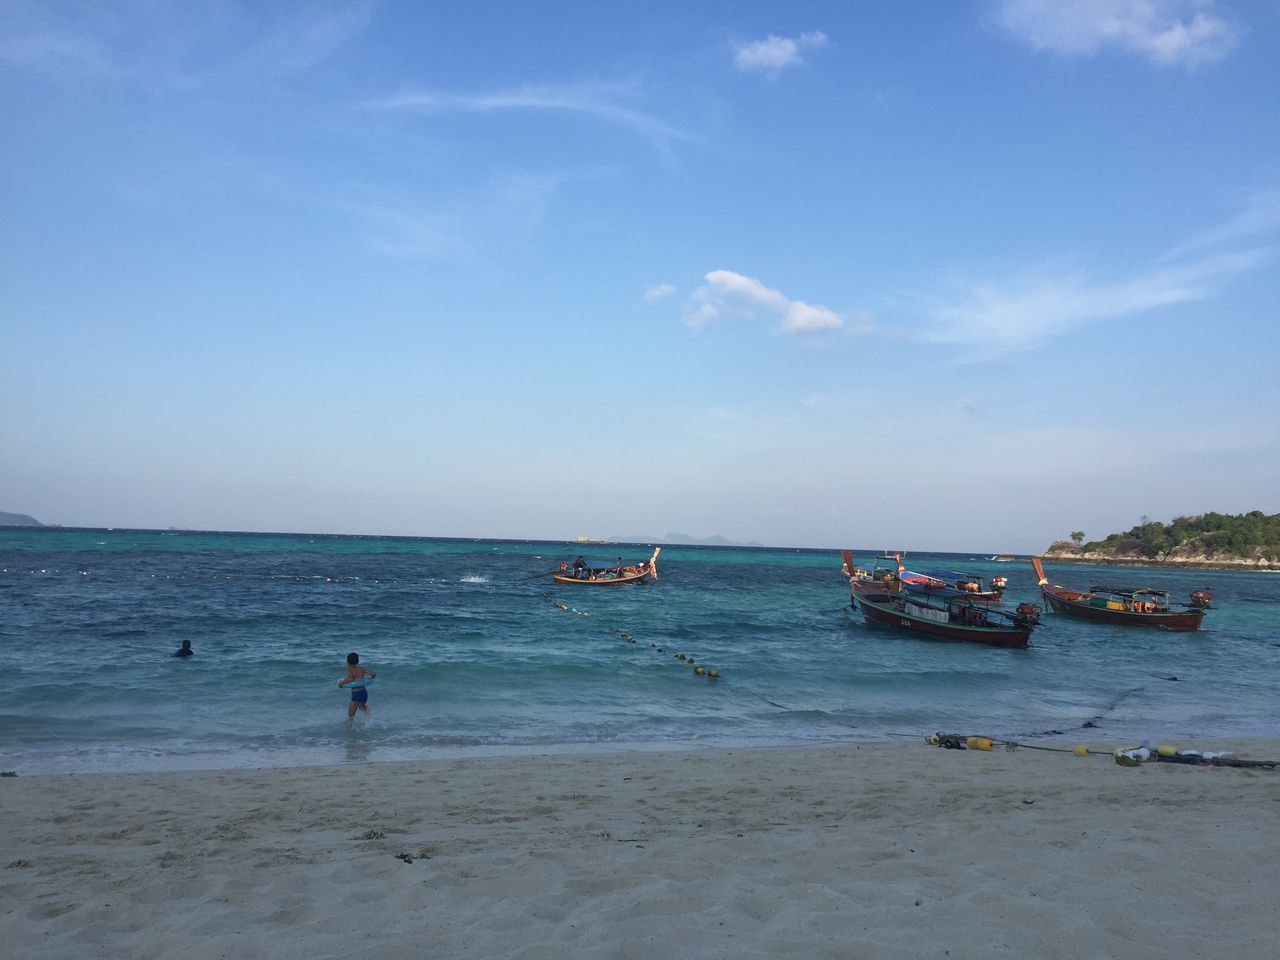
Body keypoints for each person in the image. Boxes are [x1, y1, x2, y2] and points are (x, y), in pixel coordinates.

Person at [339, 652, 376, 721]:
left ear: (347, 662)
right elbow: (373, 674)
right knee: (361, 706)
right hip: (364, 693)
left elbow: (350, 678)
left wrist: (341, 683)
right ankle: (370, 718)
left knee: (350, 716)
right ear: (358, 661)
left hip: (356, 694)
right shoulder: (362, 669)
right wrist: (372, 678)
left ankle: (350, 729)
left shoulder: (349, 671)